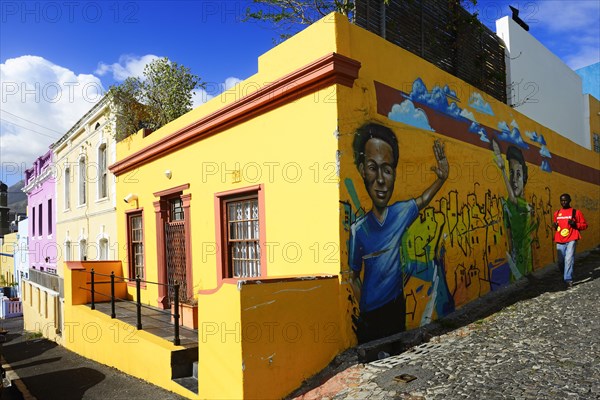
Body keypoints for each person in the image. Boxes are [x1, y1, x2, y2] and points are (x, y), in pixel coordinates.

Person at [348, 123, 448, 342]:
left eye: (388, 169)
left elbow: (422, 200)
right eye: (373, 168)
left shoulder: (400, 213)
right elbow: (352, 276)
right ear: (362, 170)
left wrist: (441, 178)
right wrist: (365, 304)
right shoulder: (358, 231)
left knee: (396, 356)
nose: (381, 180)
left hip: (395, 306)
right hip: (370, 316)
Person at [492, 140, 538, 280]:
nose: (514, 179)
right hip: (517, 258)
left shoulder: (525, 205)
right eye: (512, 173)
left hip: (527, 256)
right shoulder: (509, 204)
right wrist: (502, 170)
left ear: (525, 177)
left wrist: (502, 169)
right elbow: (508, 232)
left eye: (518, 174)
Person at [552, 193, 587, 289]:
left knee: (569, 259)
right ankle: (565, 273)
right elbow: (557, 227)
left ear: (570, 200)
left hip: (572, 238)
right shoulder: (557, 213)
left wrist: (575, 225)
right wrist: (555, 227)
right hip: (560, 240)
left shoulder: (576, 212)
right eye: (561, 200)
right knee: (561, 261)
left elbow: (584, 225)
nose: (563, 202)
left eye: (565, 200)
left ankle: (568, 279)